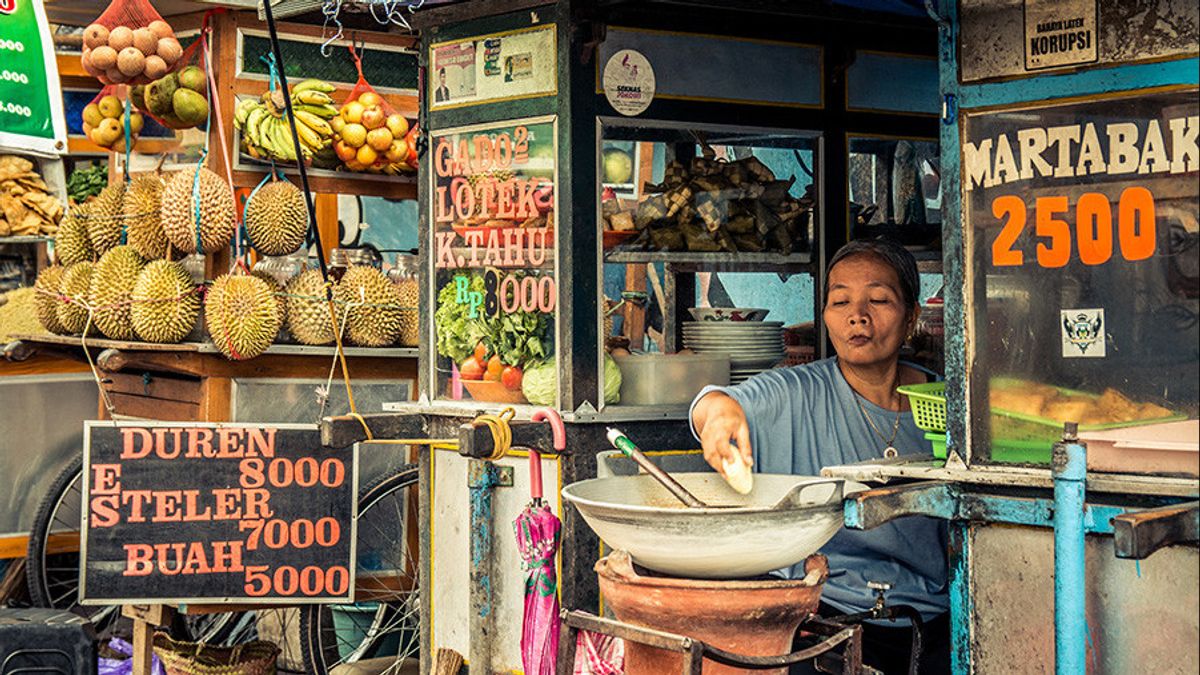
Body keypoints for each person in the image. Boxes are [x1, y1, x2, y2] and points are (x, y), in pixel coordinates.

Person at [689, 238, 950, 674]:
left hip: (930, 620)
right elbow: (715, 400)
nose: (857, 315)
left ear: (911, 317)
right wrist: (717, 418)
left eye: (880, 299)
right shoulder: (796, 391)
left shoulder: (944, 403)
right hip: (825, 620)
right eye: (840, 300)